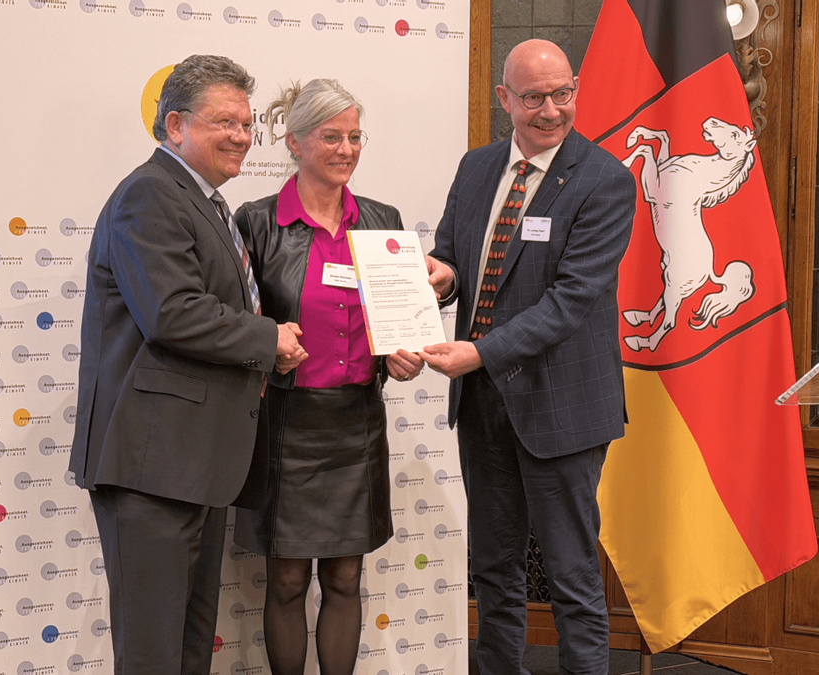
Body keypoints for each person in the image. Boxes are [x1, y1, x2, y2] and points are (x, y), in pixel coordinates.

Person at [69, 54, 305, 675]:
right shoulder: (150, 194)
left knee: (189, 648)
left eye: (247, 124)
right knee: (154, 653)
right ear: (175, 125)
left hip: (191, 463)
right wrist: (268, 339)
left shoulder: (204, 201)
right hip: (152, 467)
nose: (242, 136)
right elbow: (171, 312)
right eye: (224, 122)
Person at [420, 40, 637, 675]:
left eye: (562, 93)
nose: (551, 110)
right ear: (504, 99)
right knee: (493, 569)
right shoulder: (476, 168)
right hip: (484, 404)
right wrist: (441, 278)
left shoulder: (605, 181)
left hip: (561, 406)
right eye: (535, 97)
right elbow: (453, 256)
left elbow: (569, 302)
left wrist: (479, 352)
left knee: (571, 575)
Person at [232, 78, 423, 675]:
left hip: (357, 423)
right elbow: (236, 323)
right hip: (285, 424)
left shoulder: (382, 220)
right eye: (331, 136)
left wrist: (400, 356)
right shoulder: (256, 222)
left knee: (345, 577)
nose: (346, 149)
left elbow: (397, 319)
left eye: (355, 137)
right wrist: (269, 347)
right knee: (287, 581)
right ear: (294, 142)